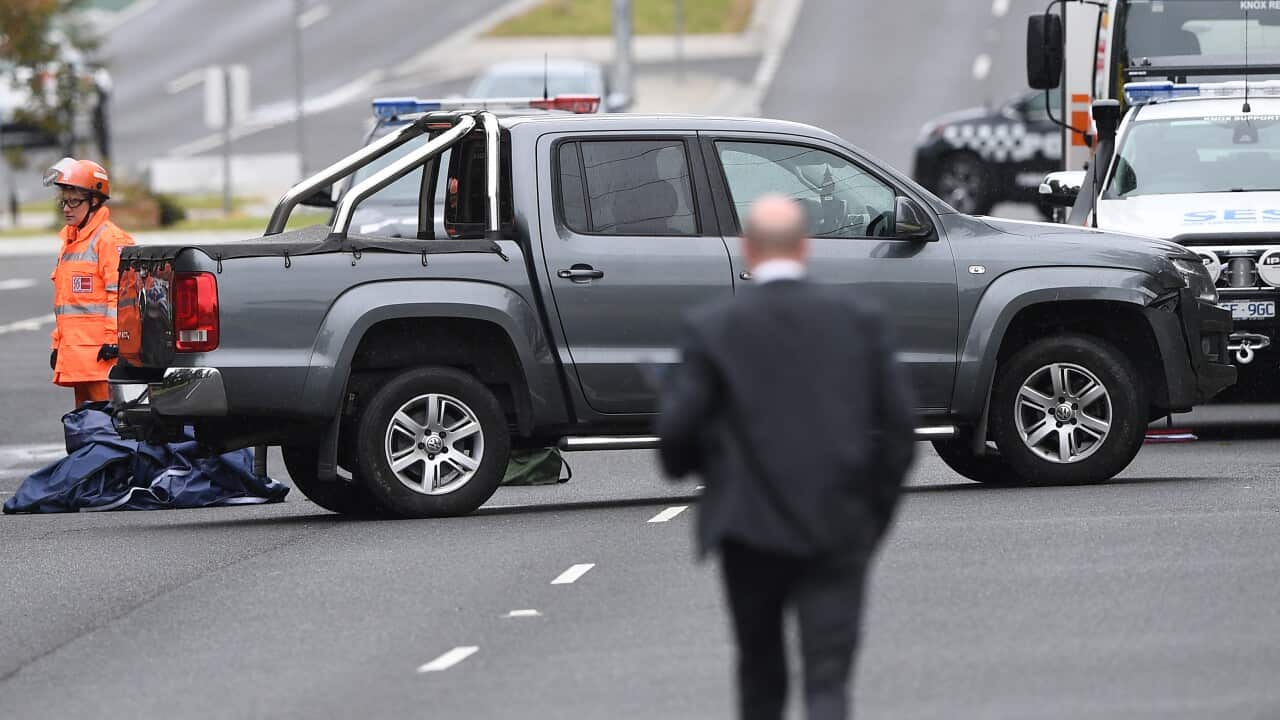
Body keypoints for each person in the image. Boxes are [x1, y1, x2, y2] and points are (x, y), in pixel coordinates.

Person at [656, 194, 916, 720]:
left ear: (747, 248)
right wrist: (871, 514)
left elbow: (676, 441)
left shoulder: (712, 327)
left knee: (760, 673)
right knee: (828, 678)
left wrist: (696, 462)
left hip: (748, 528)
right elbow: (899, 432)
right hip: (838, 524)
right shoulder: (860, 321)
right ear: (804, 247)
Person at [43, 157, 134, 408]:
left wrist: (114, 342)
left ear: (95, 201)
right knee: (86, 428)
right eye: (64, 201)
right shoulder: (72, 241)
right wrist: (57, 344)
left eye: (74, 201)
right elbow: (66, 304)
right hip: (79, 358)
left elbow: (122, 296)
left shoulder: (110, 240)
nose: (67, 208)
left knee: (108, 430)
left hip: (103, 359)